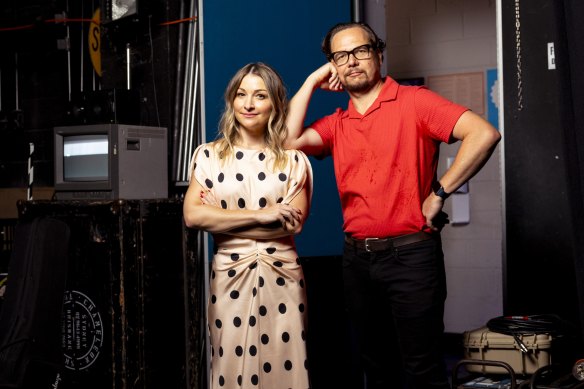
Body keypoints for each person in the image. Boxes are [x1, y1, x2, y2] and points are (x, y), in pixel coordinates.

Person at [285, 22, 501, 389]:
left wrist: (439, 192)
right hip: (356, 260)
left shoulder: (415, 101)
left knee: (422, 369)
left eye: (361, 51)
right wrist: (311, 82)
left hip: (411, 256)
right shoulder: (338, 122)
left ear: (379, 54)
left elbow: (484, 133)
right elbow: (288, 142)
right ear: (333, 66)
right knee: (376, 366)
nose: (352, 61)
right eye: (341, 56)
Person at [183, 62, 313, 389]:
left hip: (282, 276)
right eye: (241, 95)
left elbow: (291, 227)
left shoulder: (294, 161)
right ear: (232, 100)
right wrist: (263, 215)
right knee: (228, 363)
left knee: (287, 364)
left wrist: (221, 221)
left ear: (275, 104)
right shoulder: (208, 156)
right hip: (228, 277)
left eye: (259, 95)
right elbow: (193, 216)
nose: (249, 104)